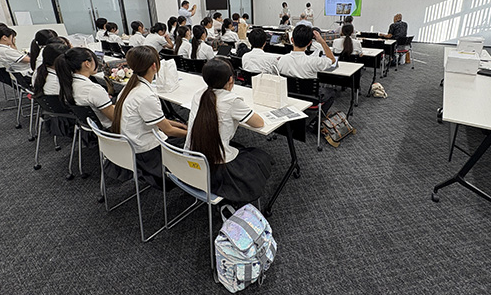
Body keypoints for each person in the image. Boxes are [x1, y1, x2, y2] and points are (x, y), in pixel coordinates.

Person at [186, 58, 272, 203]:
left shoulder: (199, 94)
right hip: (216, 168)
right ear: (231, 79)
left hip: (191, 161)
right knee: (261, 158)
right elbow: (259, 123)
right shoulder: (232, 100)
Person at [111, 46, 187, 188]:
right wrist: (192, 133)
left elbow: (159, 121)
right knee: (193, 144)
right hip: (147, 153)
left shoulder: (130, 87)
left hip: (132, 145)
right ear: (154, 66)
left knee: (182, 129)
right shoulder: (146, 95)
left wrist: (181, 125)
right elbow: (168, 130)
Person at [278, 25, 336, 118]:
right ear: (309, 43)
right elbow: (332, 60)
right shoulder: (314, 61)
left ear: (292, 40)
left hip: (289, 97)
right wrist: (322, 41)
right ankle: (317, 121)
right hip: (311, 100)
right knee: (331, 92)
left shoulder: (281, 60)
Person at [55, 47, 114, 128]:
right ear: (87, 64)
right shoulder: (93, 89)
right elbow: (114, 117)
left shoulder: (68, 84)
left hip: (89, 128)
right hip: (109, 129)